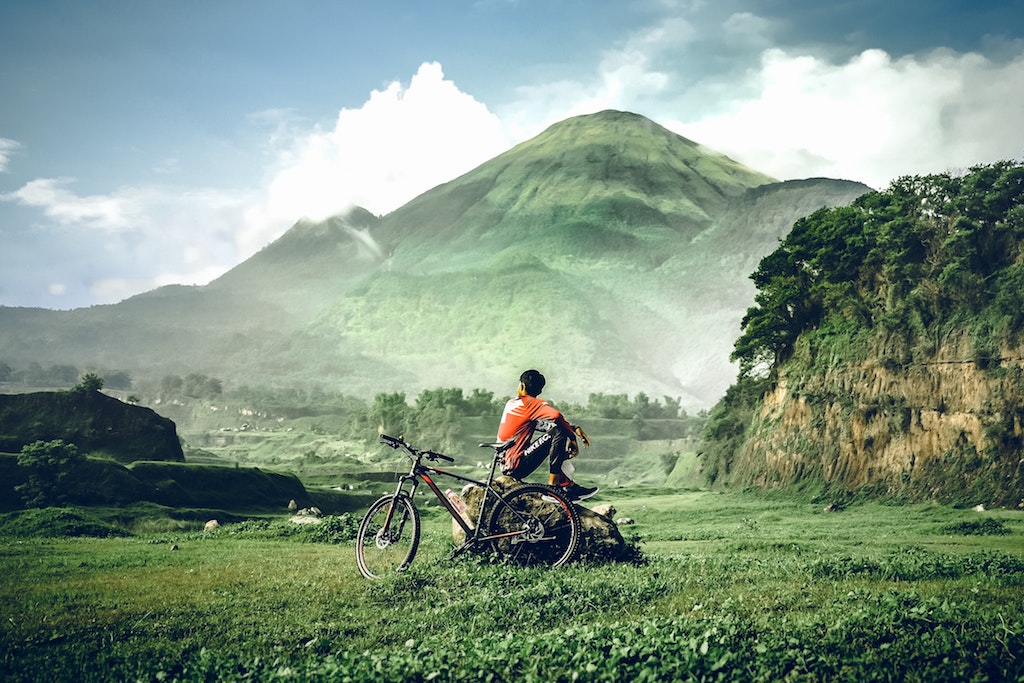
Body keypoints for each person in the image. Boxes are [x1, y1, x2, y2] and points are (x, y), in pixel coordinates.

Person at [496, 369, 598, 502]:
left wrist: (573, 429)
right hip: (515, 463)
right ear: (539, 391)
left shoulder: (513, 403)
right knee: (559, 431)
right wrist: (572, 436)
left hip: (506, 462)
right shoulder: (530, 403)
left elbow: (542, 426)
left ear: (522, 386)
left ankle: (568, 485)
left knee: (559, 430)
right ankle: (554, 487)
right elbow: (556, 417)